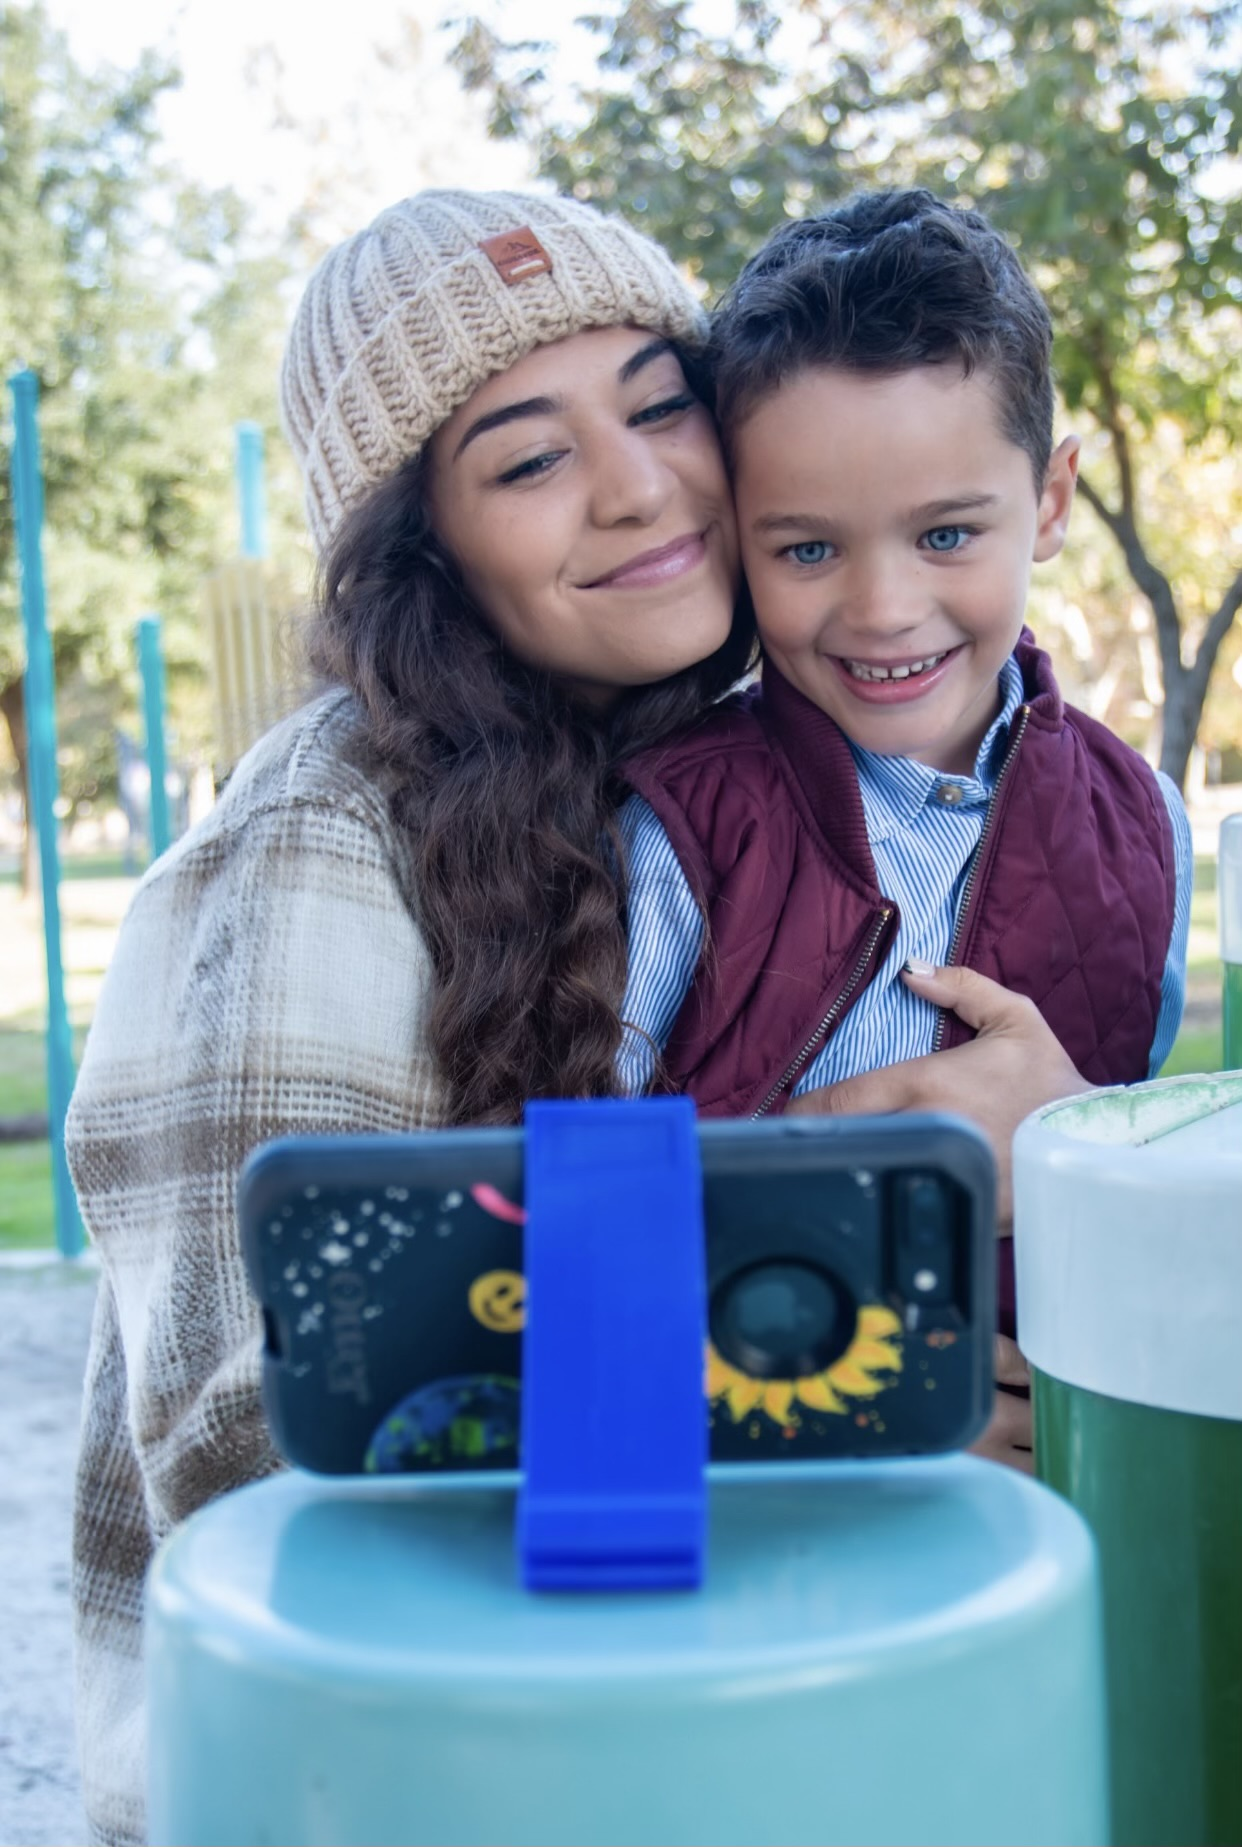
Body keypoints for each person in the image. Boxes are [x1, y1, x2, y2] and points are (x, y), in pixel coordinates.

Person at [66, 186, 754, 1847]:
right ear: (421, 550)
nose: (638, 481)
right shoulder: (320, 839)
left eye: (662, 405)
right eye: (528, 461)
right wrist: (776, 1408)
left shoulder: (685, 779)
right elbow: (267, 1446)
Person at [619, 189, 1193, 1457]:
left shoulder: (1144, 824)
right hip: (754, 1534)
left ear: (1049, 501)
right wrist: (843, 1387)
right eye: (808, 549)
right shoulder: (672, 831)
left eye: (945, 533)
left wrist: (1084, 1140)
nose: (883, 609)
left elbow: (1159, 1229)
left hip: (1043, 1528)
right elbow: (560, 1231)